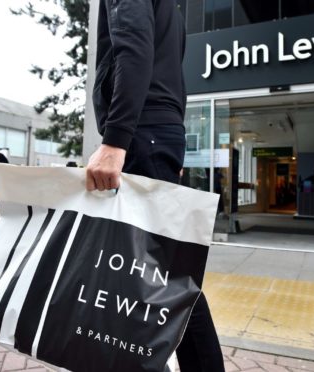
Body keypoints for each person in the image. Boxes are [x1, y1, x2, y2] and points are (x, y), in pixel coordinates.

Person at [88, 1, 225, 371]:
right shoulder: (171, 9)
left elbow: (134, 48)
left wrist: (116, 140)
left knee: (163, 276)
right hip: (156, 133)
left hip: (141, 135)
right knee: (150, 275)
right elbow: (170, 72)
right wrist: (168, 141)